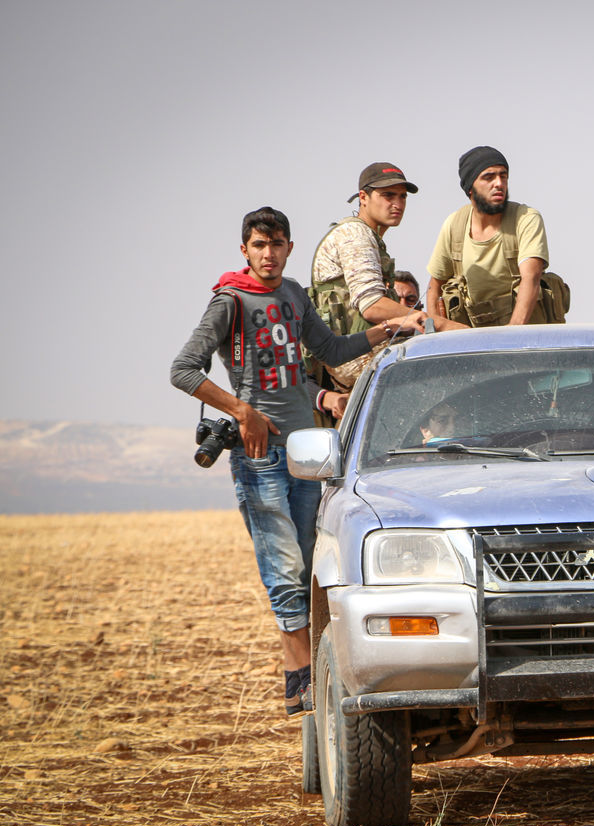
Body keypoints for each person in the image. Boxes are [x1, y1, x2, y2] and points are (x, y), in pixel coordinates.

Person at [171, 207, 403, 717]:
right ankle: (299, 680)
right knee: (282, 565)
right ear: (244, 250)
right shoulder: (229, 301)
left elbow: (332, 348)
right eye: (258, 245)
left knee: (307, 561)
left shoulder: (295, 295)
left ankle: (309, 676)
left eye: (276, 245)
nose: (268, 254)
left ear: (289, 248)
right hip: (259, 455)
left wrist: (392, 329)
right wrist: (241, 410)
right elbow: (183, 370)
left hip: (307, 452)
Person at [309, 162, 428, 398]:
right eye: (388, 195)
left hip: (363, 363)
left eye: (402, 197)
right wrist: (427, 321)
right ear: (363, 197)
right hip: (354, 361)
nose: (397, 204)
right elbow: (372, 305)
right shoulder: (356, 234)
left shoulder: (369, 237)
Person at [424, 146, 551, 329]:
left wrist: (512, 333)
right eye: (488, 177)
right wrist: (437, 329)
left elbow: (531, 276)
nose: (499, 183)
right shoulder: (455, 225)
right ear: (470, 188)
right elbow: (434, 286)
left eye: (503, 176)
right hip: (474, 341)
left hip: (526, 339)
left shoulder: (525, 218)